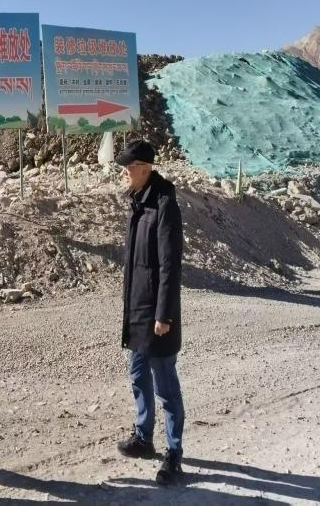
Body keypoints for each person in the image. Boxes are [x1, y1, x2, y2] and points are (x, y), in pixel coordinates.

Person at [114, 139, 185, 486]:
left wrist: (164, 315)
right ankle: (144, 437)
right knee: (138, 375)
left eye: (129, 168)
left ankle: (174, 454)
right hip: (138, 310)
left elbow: (170, 266)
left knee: (165, 385)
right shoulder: (139, 202)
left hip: (157, 315)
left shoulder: (164, 205)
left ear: (144, 169)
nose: (124, 174)